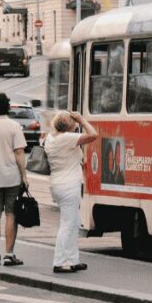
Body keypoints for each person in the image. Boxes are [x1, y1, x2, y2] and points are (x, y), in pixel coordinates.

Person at [45, 111, 97, 273]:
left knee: (73, 222)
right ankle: (59, 261)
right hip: (68, 186)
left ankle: (73, 259)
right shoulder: (67, 139)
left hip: (58, 185)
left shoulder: (50, 138)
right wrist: (82, 119)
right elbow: (93, 135)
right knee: (68, 224)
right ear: (70, 125)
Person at [0, 93, 28, 267]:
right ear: (8, 107)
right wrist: (24, 176)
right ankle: (9, 254)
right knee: (12, 214)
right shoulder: (14, 126)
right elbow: (19, 153)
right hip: (11, 177)